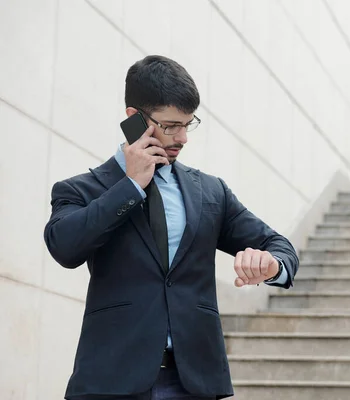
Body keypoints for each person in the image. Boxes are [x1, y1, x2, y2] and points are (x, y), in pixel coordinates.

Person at [43, 55, 299, 400]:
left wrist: (272, 265)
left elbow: (278, 244)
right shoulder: (82, 190)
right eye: (170, 126)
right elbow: (64, 246)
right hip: (112, 379)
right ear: (134, 119)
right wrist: (131, 185)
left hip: (194, 382)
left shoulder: (211, 192)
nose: (182, 138)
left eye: (188, 124)